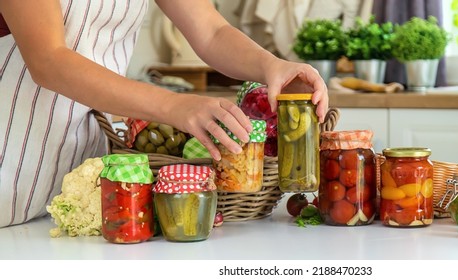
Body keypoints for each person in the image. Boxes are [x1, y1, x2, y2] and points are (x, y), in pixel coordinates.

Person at [0, 0, 329, 228]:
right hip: (9, 156)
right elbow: (49, 61)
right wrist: (175, 106)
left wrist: (272, 65)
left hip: (78, 170)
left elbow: (211, 32)